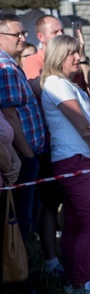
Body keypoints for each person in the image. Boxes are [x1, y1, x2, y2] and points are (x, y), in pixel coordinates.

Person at [40, 35, 90, 294]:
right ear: (58, 56)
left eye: (78, 52)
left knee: (75, 222)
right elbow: (84, 126)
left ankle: (75, 281)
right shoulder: (55, 84)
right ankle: (81, 283)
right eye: (71, 53)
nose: (77, 58)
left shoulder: (71, 85)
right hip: (72, 159)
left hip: (79, 158)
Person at [0, 14, 46, 242]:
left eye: (22, 33)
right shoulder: (5, 67)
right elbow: (10, 115)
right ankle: (19, 273)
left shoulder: (11, 64)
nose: (21, 38)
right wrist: (28, 154)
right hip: (21, 154)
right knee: (20, 221)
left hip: (25, 152)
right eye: (15, 34)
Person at [22, 15, 64, 80]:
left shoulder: (72, 58)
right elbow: (41, 87)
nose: (61, 35)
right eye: (55, 32)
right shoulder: (32, 61)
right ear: (41, 37)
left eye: (62, 31)